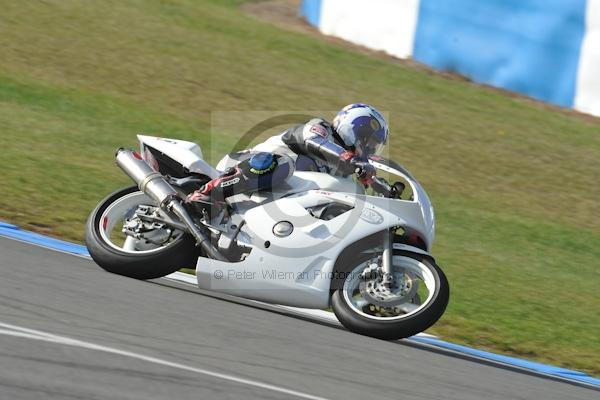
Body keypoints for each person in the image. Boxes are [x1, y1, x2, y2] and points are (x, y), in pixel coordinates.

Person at [186, 103, 389, 211]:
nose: (370, 150)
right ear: (353, 130)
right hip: (248, 164)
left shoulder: (344, 175)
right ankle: (209, 192)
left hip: (271, 197)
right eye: (369, 142)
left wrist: (381, 188)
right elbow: (312, 140)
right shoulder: (321, 129)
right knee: (283, 165)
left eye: (374, 146)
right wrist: (350, 159)